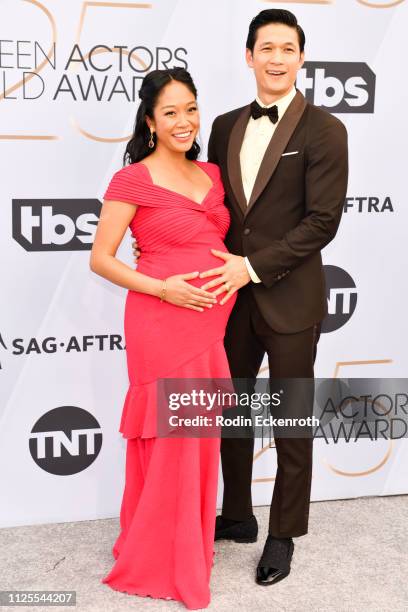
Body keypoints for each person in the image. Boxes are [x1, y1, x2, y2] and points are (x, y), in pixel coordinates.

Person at [135, 8, 348, 587]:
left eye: (288, 48)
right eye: (266, 48)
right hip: (224, 303)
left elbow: (322, 222)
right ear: (248, 56)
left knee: (290, 421)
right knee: (228, 414)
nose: (276, 58)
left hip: (287, 297)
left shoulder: (326, 129)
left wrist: (251, 267)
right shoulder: (225, 126)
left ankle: (282, 535)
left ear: (301, 58)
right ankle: (236, 515)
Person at [90, 68, 237, 610]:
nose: (185, 120)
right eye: (171, 111)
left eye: (191, 108)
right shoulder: (133, 179)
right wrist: (163, 288)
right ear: (150, 121)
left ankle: (187, 543)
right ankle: (162, 555)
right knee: (173, 437)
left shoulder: (212, 173)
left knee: (197, 439)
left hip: (210, 324)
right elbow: (100, 258)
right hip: (161, 320)